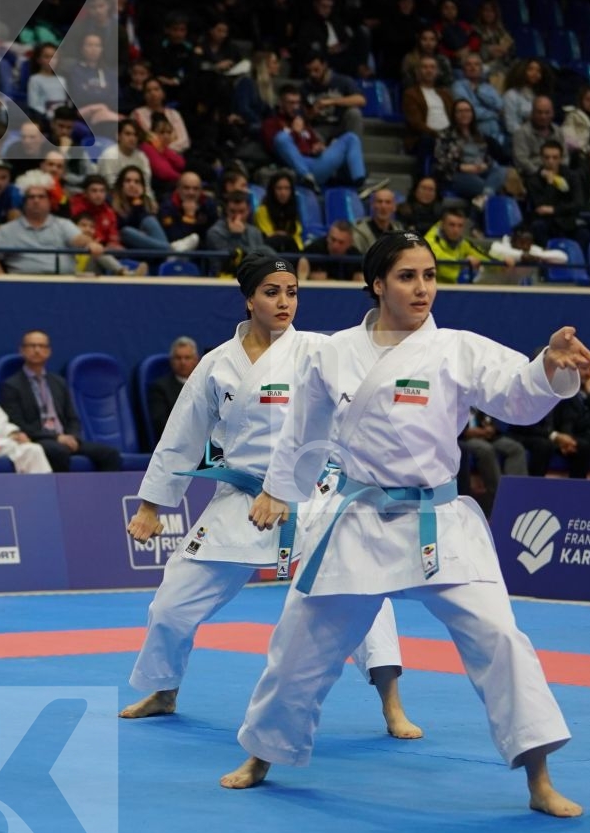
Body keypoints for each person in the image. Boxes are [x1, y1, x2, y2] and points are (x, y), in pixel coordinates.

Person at [226, 231, 590, 817]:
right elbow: (304, 433)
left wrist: (547, 366)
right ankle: (262, 754)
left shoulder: (456, 349)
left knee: (501, 640)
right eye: (406, 276)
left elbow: (517, 396)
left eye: (429, 275)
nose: (422, 288)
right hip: (358, 520)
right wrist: (279, 491)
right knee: (298, 644)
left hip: (436, 520)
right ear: (377, 284)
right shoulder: (331, 351)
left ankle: (539, 779)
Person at [120, 256, 419, 736]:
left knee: (366, 594)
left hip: (313, 495)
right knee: (171, 603)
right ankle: (163, 688)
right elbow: (182, 435)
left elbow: (373, 372)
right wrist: (152, 505)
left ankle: (393, 705)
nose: (284, 302)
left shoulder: (320, 350)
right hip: (241, 497)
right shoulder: (216, 364)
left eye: (292, 292)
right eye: (272, 292)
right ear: (249, 299)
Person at [0, 330, 123, 472]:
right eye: (32, 346)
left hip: (65, 438)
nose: (37, 350)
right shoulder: (11, 385)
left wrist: (73, 437)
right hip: (38, 439)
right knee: (58, 451)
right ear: (22, 350)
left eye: (42, 346)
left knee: (110, 454)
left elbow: (73, 418)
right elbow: (18, 424)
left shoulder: (59, 382)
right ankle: (65, 493)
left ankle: (105, 493)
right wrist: (57, 437)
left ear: (49, 351)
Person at [147, 337, 199, 442]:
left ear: (196, 360)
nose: (183, 362)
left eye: (187, 357)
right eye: (178, 358)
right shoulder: (160, 388)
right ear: (171, 361)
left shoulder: (207, 385)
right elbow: (162, 424)